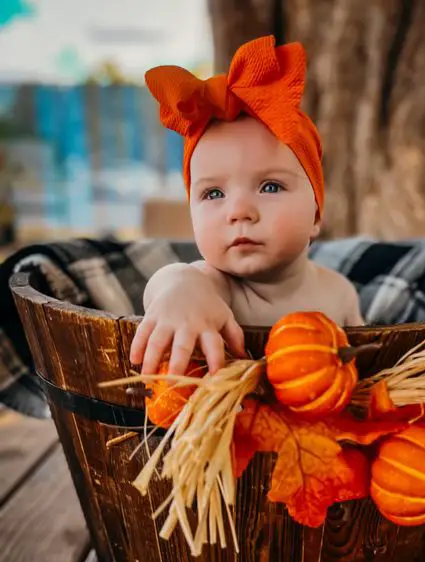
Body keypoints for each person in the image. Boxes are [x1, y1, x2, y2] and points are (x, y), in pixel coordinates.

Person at [130, 35, 364, 377]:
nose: (239, 211)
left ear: (315, 214)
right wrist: (179, 293)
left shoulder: (339, 293)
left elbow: (371, 365)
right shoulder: (210, 287)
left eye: (270, 186)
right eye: (213, 194)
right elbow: (170, 283)